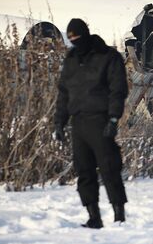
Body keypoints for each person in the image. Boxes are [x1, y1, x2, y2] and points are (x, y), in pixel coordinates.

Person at [54, 18, 128, 229]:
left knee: (109, 168)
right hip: (78, 123)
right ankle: (93, 216)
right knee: (84, 171)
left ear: (86, 34)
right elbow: (63, 94)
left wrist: (114, 118)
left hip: (101, 120)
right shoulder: (71, 59)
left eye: (77, 37)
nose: (75, 41)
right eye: (71, 39)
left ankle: (119, 215)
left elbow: (118, 89)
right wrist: (59, 122)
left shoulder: (107, 56)